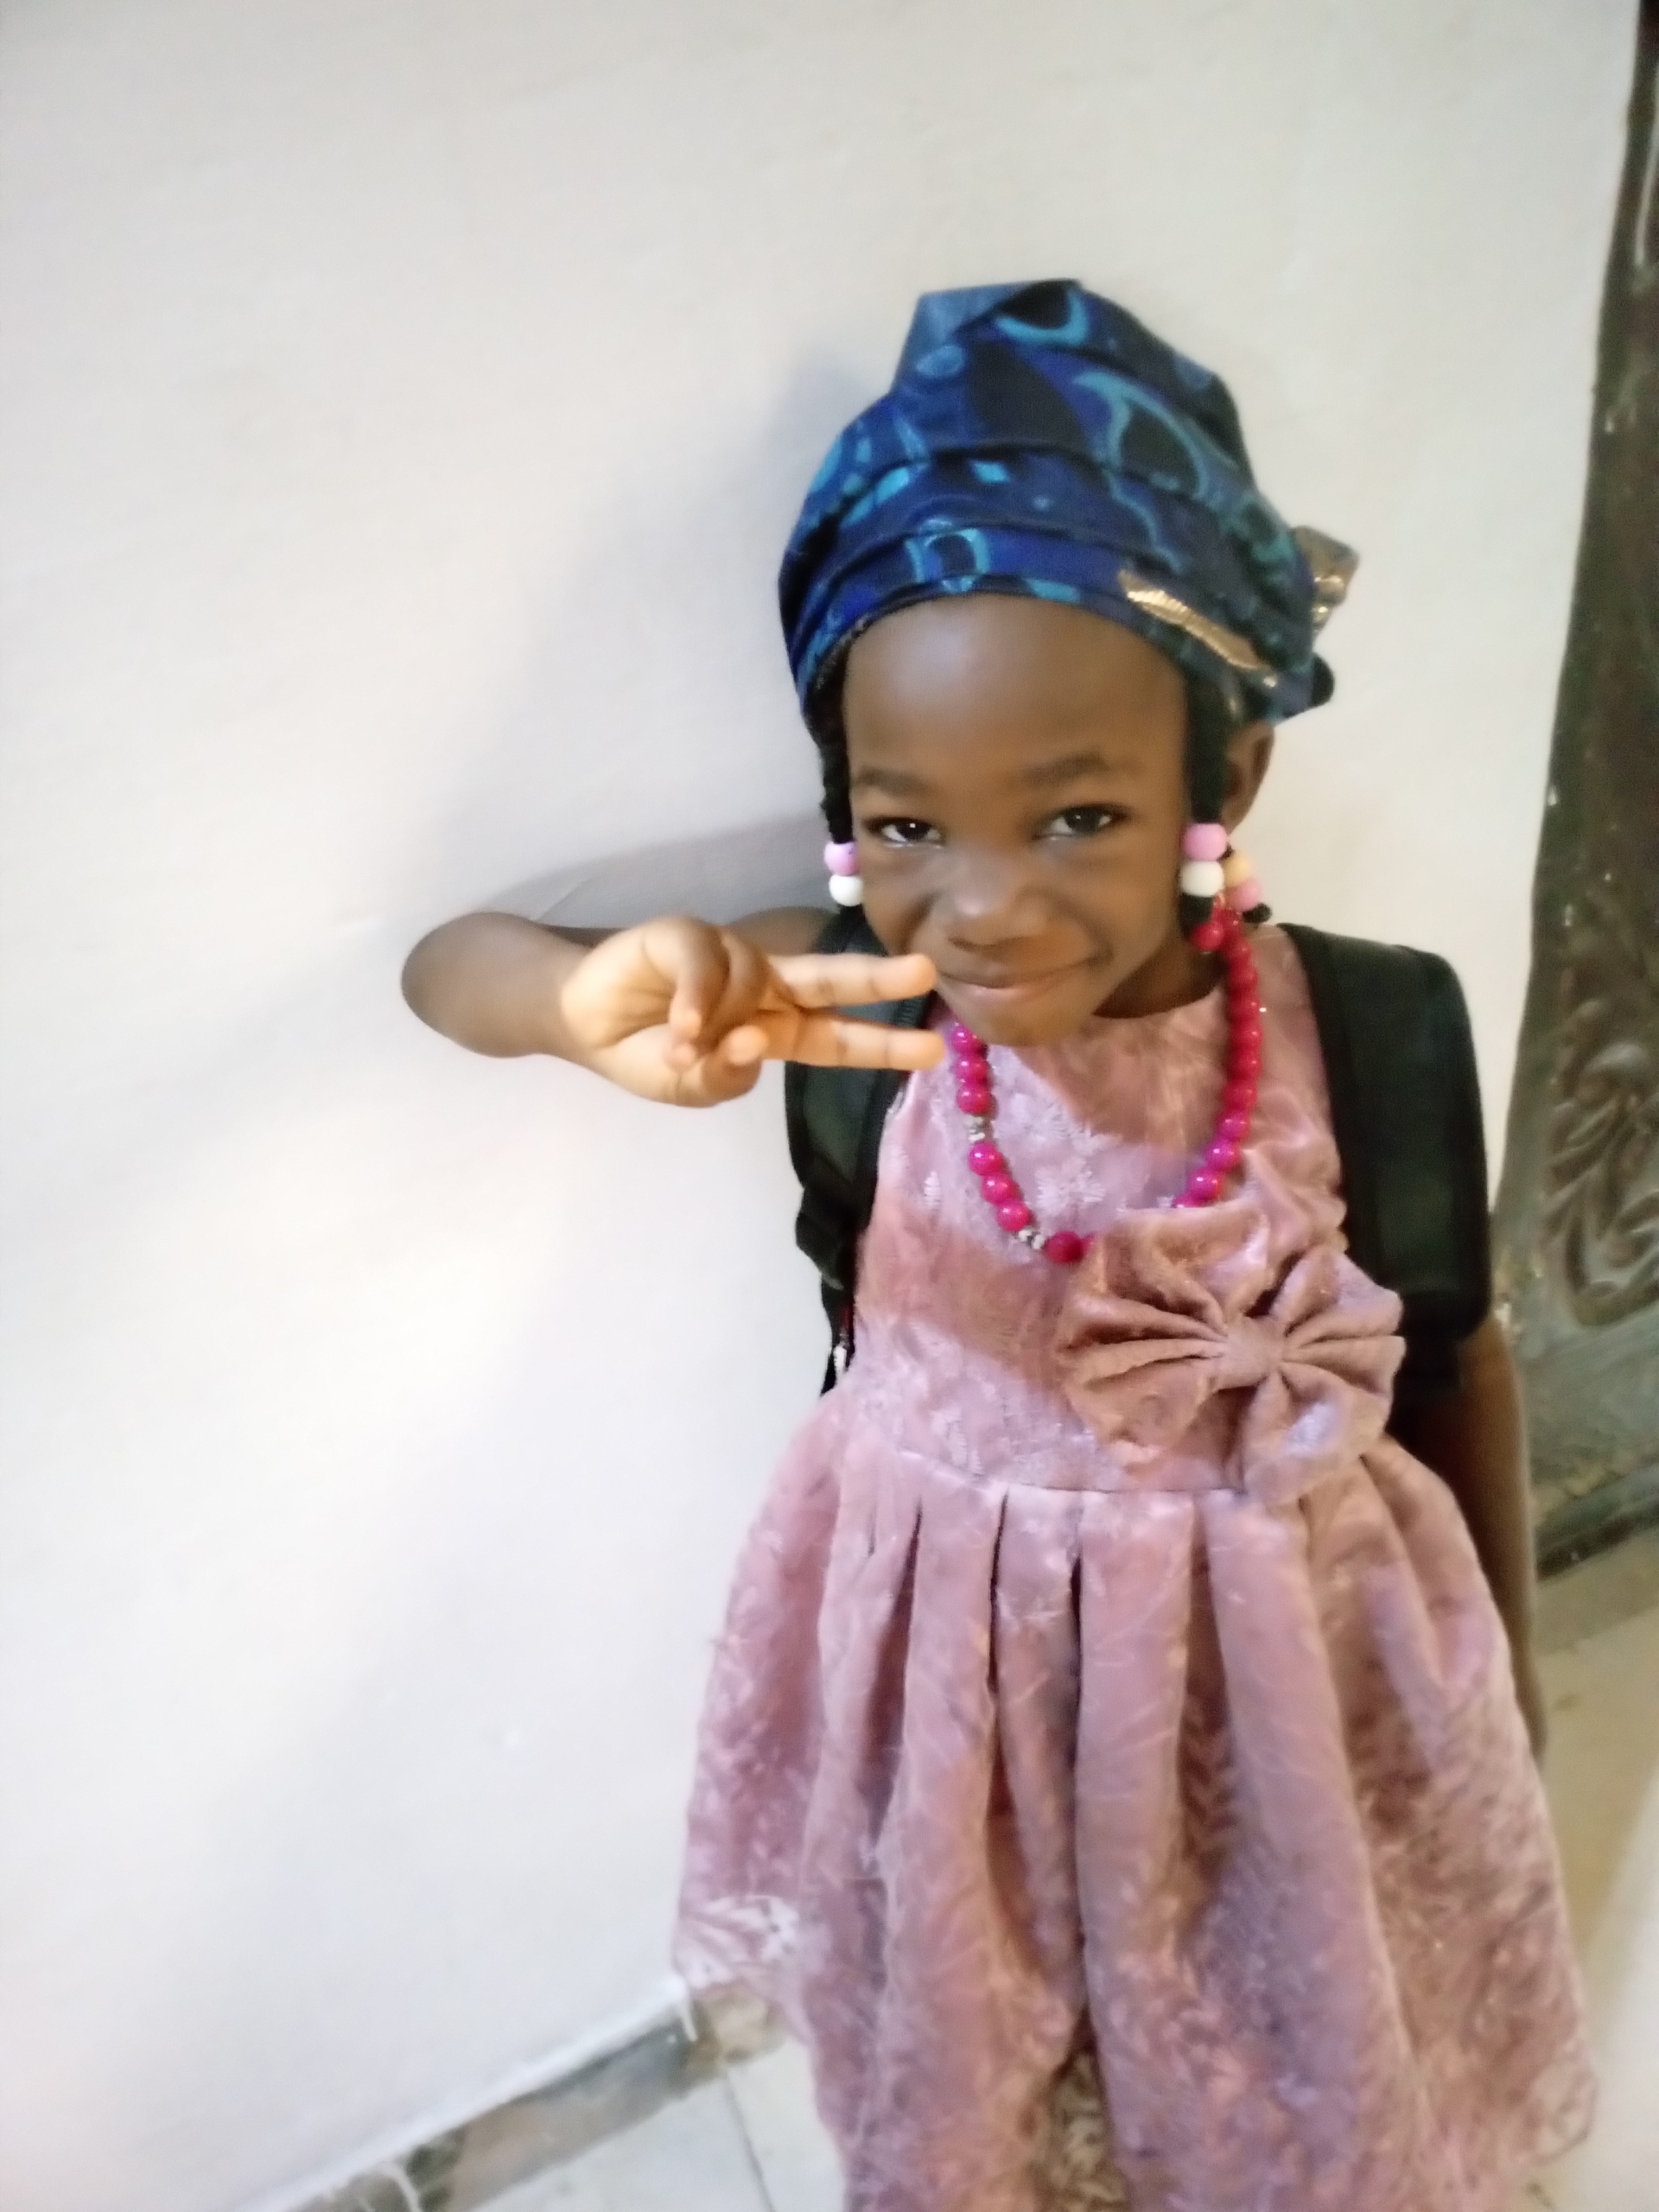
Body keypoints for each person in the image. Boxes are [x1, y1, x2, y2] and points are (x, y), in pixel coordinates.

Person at [403, 283, 1593, 2212]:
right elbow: (443, 970)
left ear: (1225, 782)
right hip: (961, 1708)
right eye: (908, 827)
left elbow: (1454, 1354)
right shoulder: (851, 1003)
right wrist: (576, 1000)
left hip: (1276, 1700)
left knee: (1280, 2048)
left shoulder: (1366, 1033)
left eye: (1077, 815)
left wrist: (1505, 1687)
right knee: (985, 2051)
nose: (982, 907)